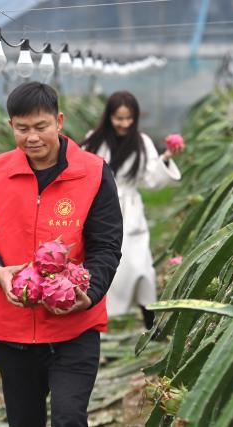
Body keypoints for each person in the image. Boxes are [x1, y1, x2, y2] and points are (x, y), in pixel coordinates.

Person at [0, 82, 123, 427]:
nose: (32, 137)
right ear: (11, 127)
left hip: (74, 328)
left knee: (68, 418)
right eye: (22, 129)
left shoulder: (93, 172)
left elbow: (106, 247)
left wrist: (88, 294)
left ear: (59, 121)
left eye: (41, 127)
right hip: (13, 330)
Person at [82, 91, 183, 330]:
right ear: (109, 117)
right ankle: (92, 319)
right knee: (100, 264)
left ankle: (151, 323)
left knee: (141, 268)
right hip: (99, 209)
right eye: (119, 118)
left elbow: (150, 179)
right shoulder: (93, 141)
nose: (124, 124)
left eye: (129, 118)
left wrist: (166, 158)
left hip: (130, 212)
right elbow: (81, 171)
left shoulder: (142, 142)